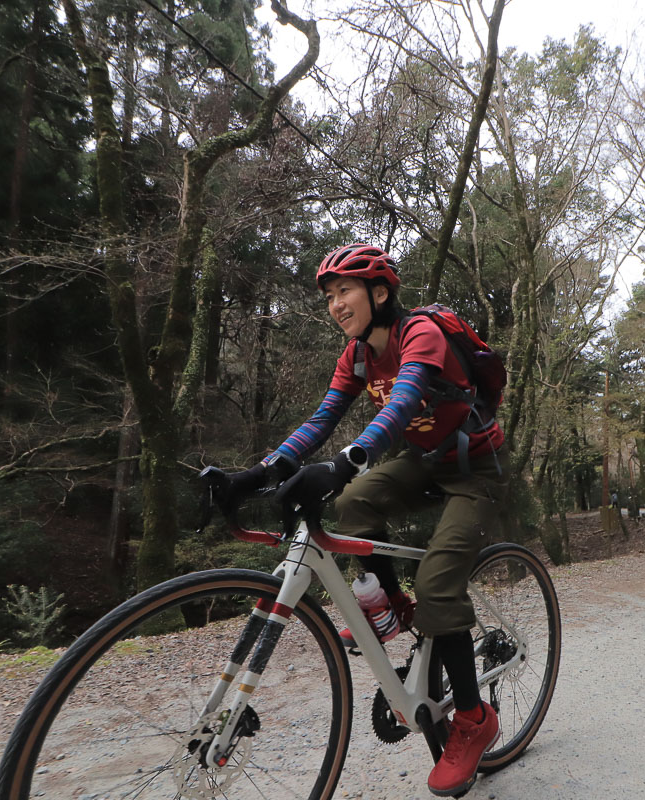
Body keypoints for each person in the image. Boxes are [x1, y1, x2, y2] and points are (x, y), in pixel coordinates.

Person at [221, 243, 507, 797]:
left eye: (344, 291)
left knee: (439, 588)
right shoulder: (355, 355)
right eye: (328, 296)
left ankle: (473, 721)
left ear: (380, 293)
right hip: (421, 461)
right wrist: (258, 474)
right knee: (352, 505)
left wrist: (347, 460)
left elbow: (400, 404)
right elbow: (322, 418)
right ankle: (390, 606)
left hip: (475, 468)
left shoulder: (418, 333)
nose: (335, 304)